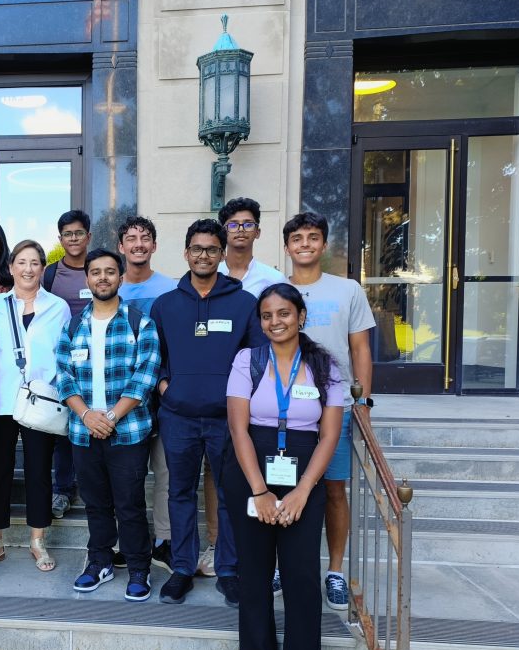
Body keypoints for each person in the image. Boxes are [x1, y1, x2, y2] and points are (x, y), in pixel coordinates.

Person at [224, 282, 343, 650]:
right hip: (251, 468)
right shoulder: (247, 360)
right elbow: (238, 428)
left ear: (301, 316)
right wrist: (259, 492)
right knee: (255, 573)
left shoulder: (325, 365)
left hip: (303, 469)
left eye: (284, 314)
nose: (276, 322)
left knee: (302, 573)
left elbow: (329, 436)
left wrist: (302, 491)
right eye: (268, 315)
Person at [150, 218, 267, 606]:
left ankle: (229, 570)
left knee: (233, 493)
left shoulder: (244, 302)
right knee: (180, 493)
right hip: (178, 417)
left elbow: (257, 358)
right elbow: (155, 357)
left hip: (228, 419)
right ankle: (182, 568)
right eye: (197, 249)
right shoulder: (165, 304)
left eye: (211, 249)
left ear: (222, 254)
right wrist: (167, 387)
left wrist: (242, 400)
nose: (204, 255)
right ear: (186, 254)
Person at [57, 249, 161, 601]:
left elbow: (145, 377)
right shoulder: (72, 326)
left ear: (120, 278)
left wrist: (112, 416)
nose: (103, 277)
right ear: (87, 280)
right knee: (95, 503)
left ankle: (137, 568)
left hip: (127, 432)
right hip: (83, 433)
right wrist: (87, 416)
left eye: (110, 272)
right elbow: (64, 377)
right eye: (96, 272)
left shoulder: (139, 323)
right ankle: (99, 561)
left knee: (129, 503)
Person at [284, 212, 375, 611]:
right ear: (287, 246)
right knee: (282, 486)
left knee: (335, 489)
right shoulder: (273, 290)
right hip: (284, 406)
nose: (305, 244)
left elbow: (360, 349)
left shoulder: (347, 289)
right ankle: (277, 565)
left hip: (334, 406)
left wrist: (364, 402)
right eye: (298, 238)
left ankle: (334, 571)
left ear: (323, 244)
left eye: (313, 237)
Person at [201, 198, 287, 579]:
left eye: (247, 224)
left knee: (258, 465)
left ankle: (255, 549)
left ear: (258, 230)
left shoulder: (271, 278)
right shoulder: (204, 272)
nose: (240, 230)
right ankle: (218, 544)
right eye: (233, 224)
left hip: (262, 389)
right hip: (215, 393)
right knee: (214, 471)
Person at [0, 240, 70, 574]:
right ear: (12, 266)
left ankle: (37, 540)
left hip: (41, 401)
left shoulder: (58, 307)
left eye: (35, 263)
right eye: (22, 262)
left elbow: (64, 353)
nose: (28, 269)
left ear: (42, 268)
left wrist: (56, 389)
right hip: (1, 400)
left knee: (39, 471)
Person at [116, 215, 176, 573]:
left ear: (154, 246)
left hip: (163, 395)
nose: (138, 244)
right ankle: (129, 541)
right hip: (122, 400)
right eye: (131, 238)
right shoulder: (110, 287)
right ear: (122, 246)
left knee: (165, 473)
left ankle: (164, 541)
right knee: (128, 475)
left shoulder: (170, 289)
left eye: (145, 238)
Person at [44, 210, 93, 519]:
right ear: (61, 239)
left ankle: (89, 488)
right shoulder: (49, 274)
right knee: (63, 425)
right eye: (68, 234)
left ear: (88, 236)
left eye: (79, 233)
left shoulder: (101, 267)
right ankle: (62, 489)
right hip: (61, 357)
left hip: (101, 359)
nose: (74, 239)